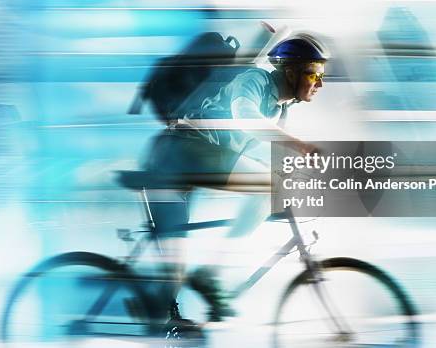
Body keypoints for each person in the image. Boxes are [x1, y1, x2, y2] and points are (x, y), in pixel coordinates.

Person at [140, 35, 329, 324]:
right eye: (314, 72)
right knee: (266, 189)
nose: (320, 83)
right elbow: (246, 119)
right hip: (179, 151)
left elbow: (259, 152)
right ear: (291, 71)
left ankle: (151, 315)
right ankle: (209, 275)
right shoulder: (255, 80)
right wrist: (301, 146)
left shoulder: (278, 111)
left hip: (182, 164)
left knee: (172, 280)